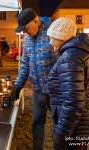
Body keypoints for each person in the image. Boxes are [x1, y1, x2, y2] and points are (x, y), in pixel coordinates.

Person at [11, 8, 58, 149]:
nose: (25, 32)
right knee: (36, 123)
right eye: (23, 31)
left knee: (59, 126)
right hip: (37, 91)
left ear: (35, 21)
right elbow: (25, 64)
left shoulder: (54, 32)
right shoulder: (27, 40)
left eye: (26, 28)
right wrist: (17, 85)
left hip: (55, 91)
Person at [47, 17, 89, 150]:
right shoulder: (78, 52)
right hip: (80, 125)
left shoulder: (70, 57)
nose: (50, 42)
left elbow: (74, 102)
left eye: (52, 37)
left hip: (76, 128)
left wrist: (61, 135)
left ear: (62, 37)